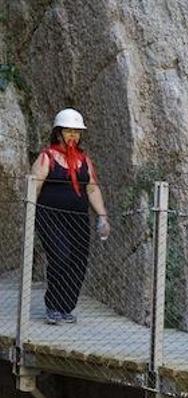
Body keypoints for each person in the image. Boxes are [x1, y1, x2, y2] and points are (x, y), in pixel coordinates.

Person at [31, 108, 110, 325]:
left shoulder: (85, 161)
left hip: (78, 220)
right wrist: (30, 217)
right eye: (68, 131)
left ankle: (66, 307)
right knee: (60, 256)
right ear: (58, 133)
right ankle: (53, 305)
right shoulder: (47, 157)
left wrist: (102, 216)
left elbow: (92, 189)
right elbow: (33, 188)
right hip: (51, 218)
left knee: (78, 260)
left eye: (76, 132)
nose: (73, 136)